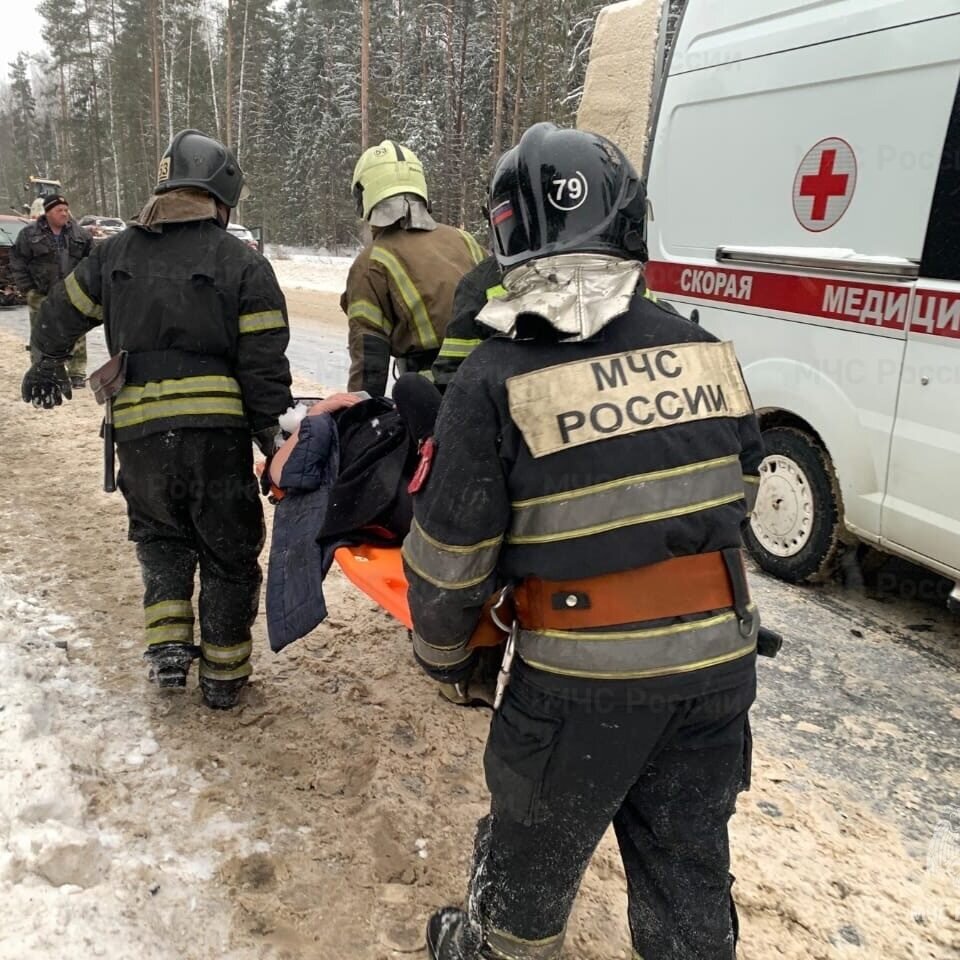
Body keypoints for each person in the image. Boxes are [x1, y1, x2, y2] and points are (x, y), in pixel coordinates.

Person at [403, 122, 765, 960]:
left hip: (577, 689)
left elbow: (450, 563)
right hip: (716, 672)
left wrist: (445, 653)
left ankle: (492, 947)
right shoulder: (704, 351)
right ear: (629, 220)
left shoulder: (494, 379)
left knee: (529, 858)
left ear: (506, 241)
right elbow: (737, 496)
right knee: (688, 871)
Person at [21, 129, 293, 710]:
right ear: (222, 194)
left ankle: (168, 649)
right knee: (227, 550)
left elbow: (62, 311)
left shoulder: (114, 254)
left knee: (162, 538)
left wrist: (45, 359)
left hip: (139, 437)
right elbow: (264, 361)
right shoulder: (241, 263)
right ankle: (224, 677)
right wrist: (272, 436)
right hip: (216, 439)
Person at [341, 139, 485, 395]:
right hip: (491, 388)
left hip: (430, 398)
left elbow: (369, 359)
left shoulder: (371, 262)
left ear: (365, 195)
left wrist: (359, 417)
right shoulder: (465, 240)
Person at [10, 194, 92, 387]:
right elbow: (18, 261)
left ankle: (77, 372)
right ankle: (42, 370)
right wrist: (27, 289)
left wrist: (87, 286)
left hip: (73, 292)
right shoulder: (29, 235)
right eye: (59, 210)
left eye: (66, 209)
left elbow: (92, 261)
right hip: (40, 292)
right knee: (41, 331)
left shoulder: (80, 234)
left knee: (77, 331)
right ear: (47, 213)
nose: (64, 214)